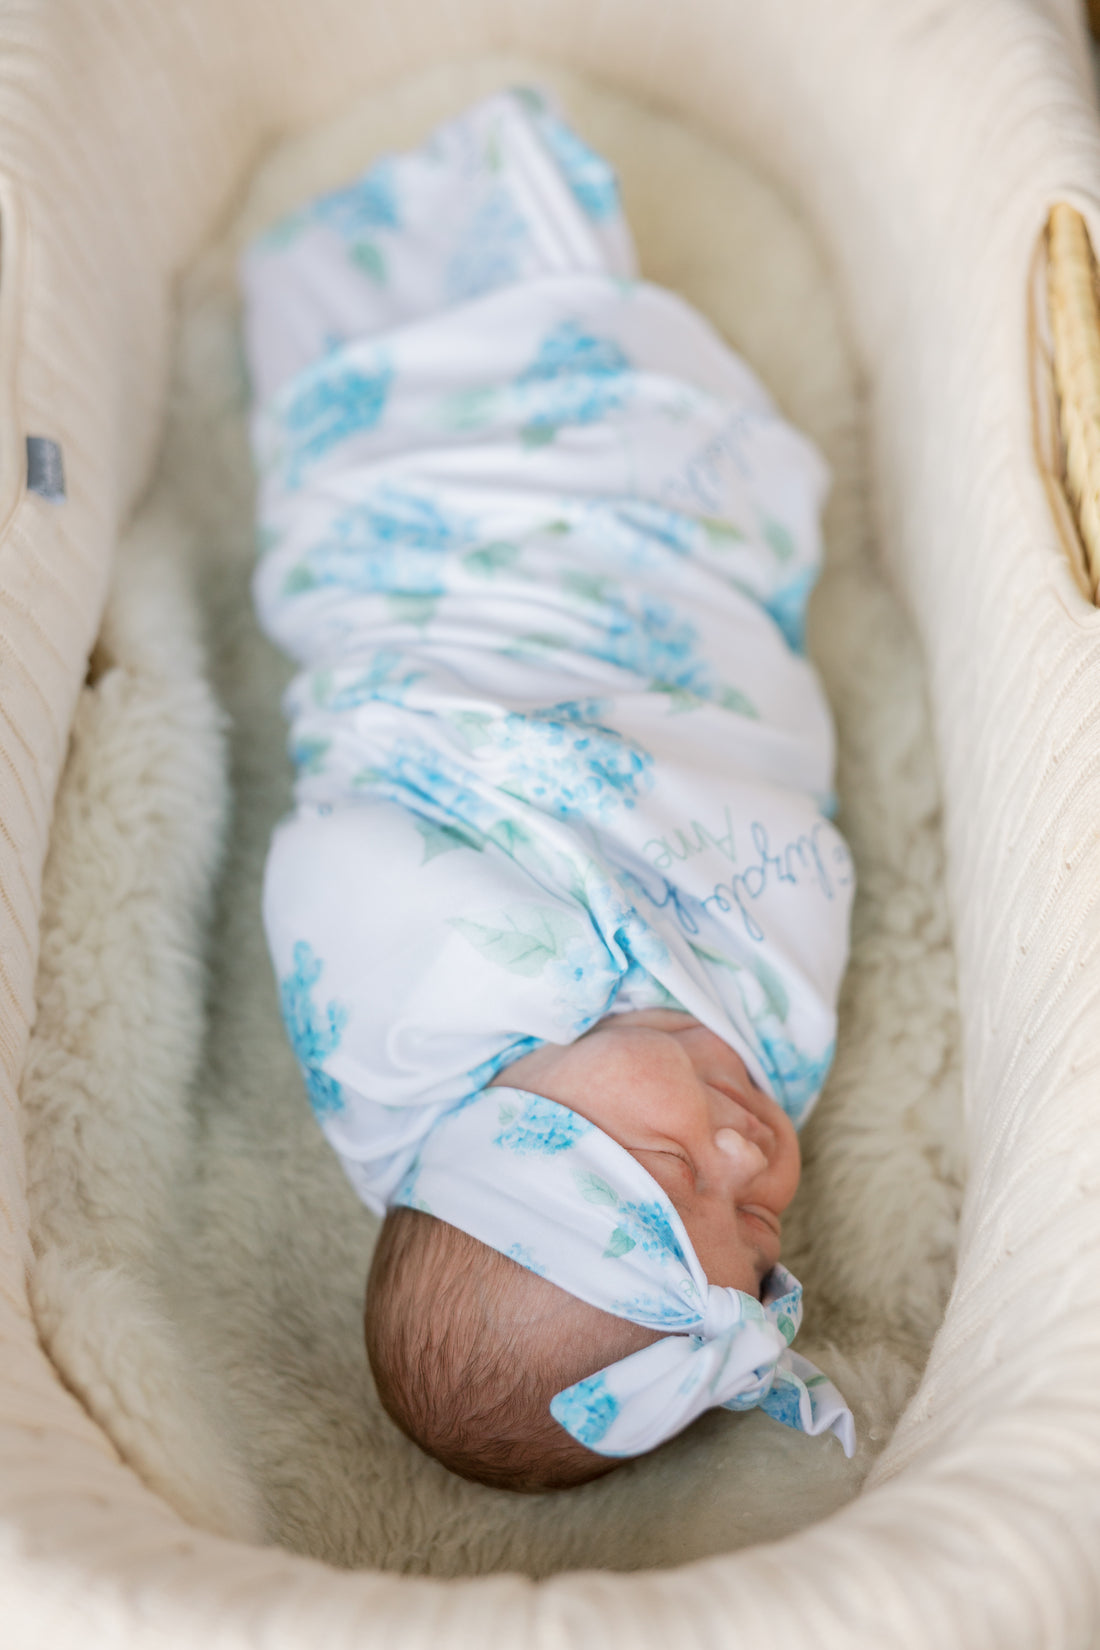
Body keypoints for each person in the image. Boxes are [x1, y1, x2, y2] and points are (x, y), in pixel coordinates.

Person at [243, 88, 856, 1491]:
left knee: (520, 356)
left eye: (662, 1160)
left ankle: (491, 247)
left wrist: (582, 935)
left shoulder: (411, 1033)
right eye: (757, 1232)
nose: (737, 1144)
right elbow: (795, 853)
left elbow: (333, 852)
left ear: (511, 1132)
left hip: (478, 595)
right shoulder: (752, 1033)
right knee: (670, 447)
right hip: (678, 617)